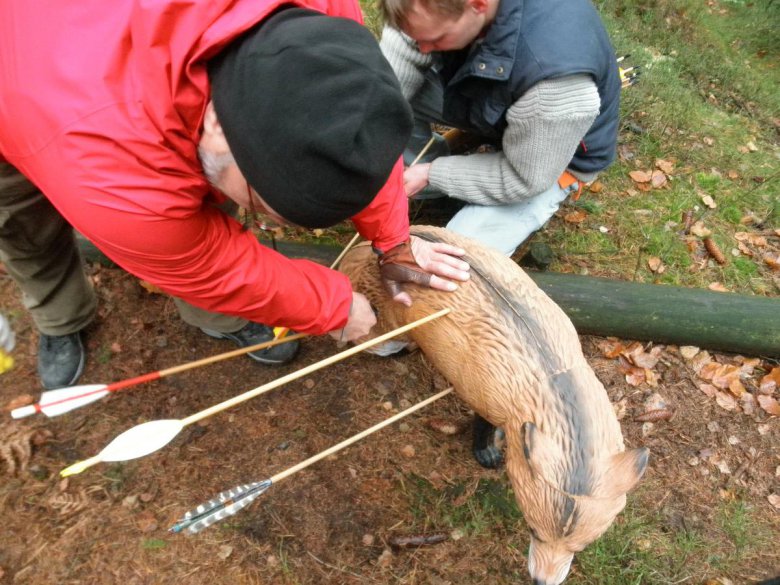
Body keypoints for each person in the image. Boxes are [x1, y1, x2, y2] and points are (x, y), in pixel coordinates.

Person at [0, 1, 470, 391]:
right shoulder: (112, 172)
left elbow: (353, 120)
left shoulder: (321, 20)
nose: (280, 227)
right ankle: (60, 319)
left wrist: (394, 238)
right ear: (219, 128)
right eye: (269, 210)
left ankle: (220, 320)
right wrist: (331, 306)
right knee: (25, 228)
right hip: (26, 89)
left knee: (206, 202)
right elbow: (204, 263)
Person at [378, 0, 621, 256]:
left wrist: (432, 174)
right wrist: (372, 127)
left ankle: (425, 177)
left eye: (437, 39)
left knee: (457, 258)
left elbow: (523, 179)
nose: (424, 48)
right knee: (391, 100)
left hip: (549, 158)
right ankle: (415, 182)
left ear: (478, 5)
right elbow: (402, 53)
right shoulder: (431, 12)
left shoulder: (554, 83)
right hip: (498, 100)